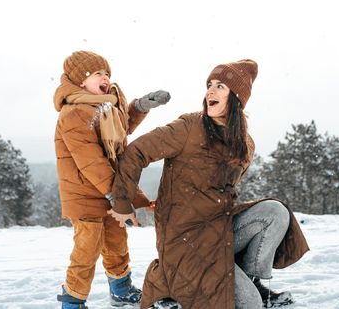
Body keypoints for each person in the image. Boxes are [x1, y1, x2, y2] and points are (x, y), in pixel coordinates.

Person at [108, 59, 310, 309]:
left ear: (236, 98)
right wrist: (123, 201)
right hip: (185, 238)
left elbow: (223, 192)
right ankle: (165, 281)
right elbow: (136, 151)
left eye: (221, 87)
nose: (210, 91)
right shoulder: (189, 126)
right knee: (250, 305)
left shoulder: (245, 143)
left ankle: (250, 279)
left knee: (275, 212)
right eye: (209, 85)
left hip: (219, 228)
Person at [53, 50, 171, 308]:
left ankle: (120, 288)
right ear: (80, 80)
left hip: (108, 191)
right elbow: (91, 162)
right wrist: (118, 196)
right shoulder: (73, 114)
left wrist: (140, 107)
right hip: (85, 195)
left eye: (107, 73)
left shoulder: (105, 107)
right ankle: (72, 300)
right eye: (97, 73)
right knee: (87, 249)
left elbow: (120, 130)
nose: (105, 77)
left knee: (117, 242)